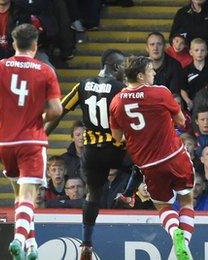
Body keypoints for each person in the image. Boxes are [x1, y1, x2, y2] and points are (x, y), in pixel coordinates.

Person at [0, 24, 62, 260]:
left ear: (13, 44)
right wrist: (38, 116)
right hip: (31, 141)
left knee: (20, 198)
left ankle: (31, 246)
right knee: (29, 198)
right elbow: (56, 110)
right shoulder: (45, 70)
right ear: (35, 45)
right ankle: (19, 239)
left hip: (4, 142)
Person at [44, 49, 128, 259]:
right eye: (123, 68)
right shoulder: (121, 89)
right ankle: (130, 195)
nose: (125, 73)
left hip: (91, 152)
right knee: (144, 166)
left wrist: (43, 134)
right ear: (116, 67)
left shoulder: (82, 85)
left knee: (92, 195)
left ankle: (86, 243)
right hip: (116, 149)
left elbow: (60, 110)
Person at [109, 56, 194, 260]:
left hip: (149, 165)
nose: (154, 73)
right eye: (150, 70)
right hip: (174, 156)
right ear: (140, 75)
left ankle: (175, 233)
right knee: (186, 201)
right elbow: (182, 122)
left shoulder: (116, 102)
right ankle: (183, 246)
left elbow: (116, 138)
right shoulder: (160, 92)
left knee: (163, 206)